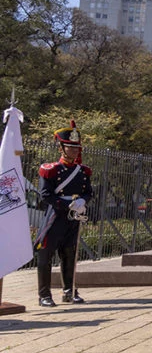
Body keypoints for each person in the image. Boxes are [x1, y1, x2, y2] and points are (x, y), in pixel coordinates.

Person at [34, 120, 92, 307]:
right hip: (55, 216)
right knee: (46, 254)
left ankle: (70, 290)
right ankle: (44, 295)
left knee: (70, 253)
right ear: (61, 148)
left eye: (77, 148)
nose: (74, 151)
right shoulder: (50, 170)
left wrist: (83, 201)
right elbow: (45, 195)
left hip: (73, 217)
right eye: (70, 147)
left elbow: (88, 191)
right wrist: (68, 206)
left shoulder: (82, 171)